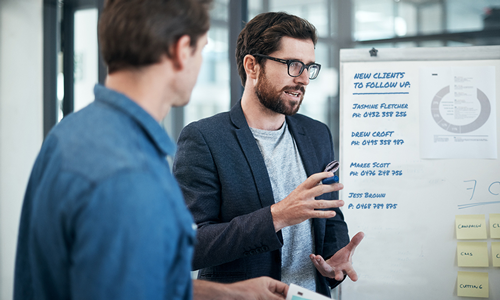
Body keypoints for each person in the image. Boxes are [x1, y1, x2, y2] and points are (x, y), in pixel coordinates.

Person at [13, 1, 288, 299]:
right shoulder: (128, 171)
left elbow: (132, 283)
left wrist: (229, 293)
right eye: (202, 49)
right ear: (181, 51)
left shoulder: (71, 133)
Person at [173, 11, 364, 297]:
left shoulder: (316, 133)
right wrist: (277, 216)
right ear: (252, 66)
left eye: (309, 67)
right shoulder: (204, 138)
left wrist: (336, 256)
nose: (304, 80)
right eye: (293, 65)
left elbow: (328, 212)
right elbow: (189, 246)